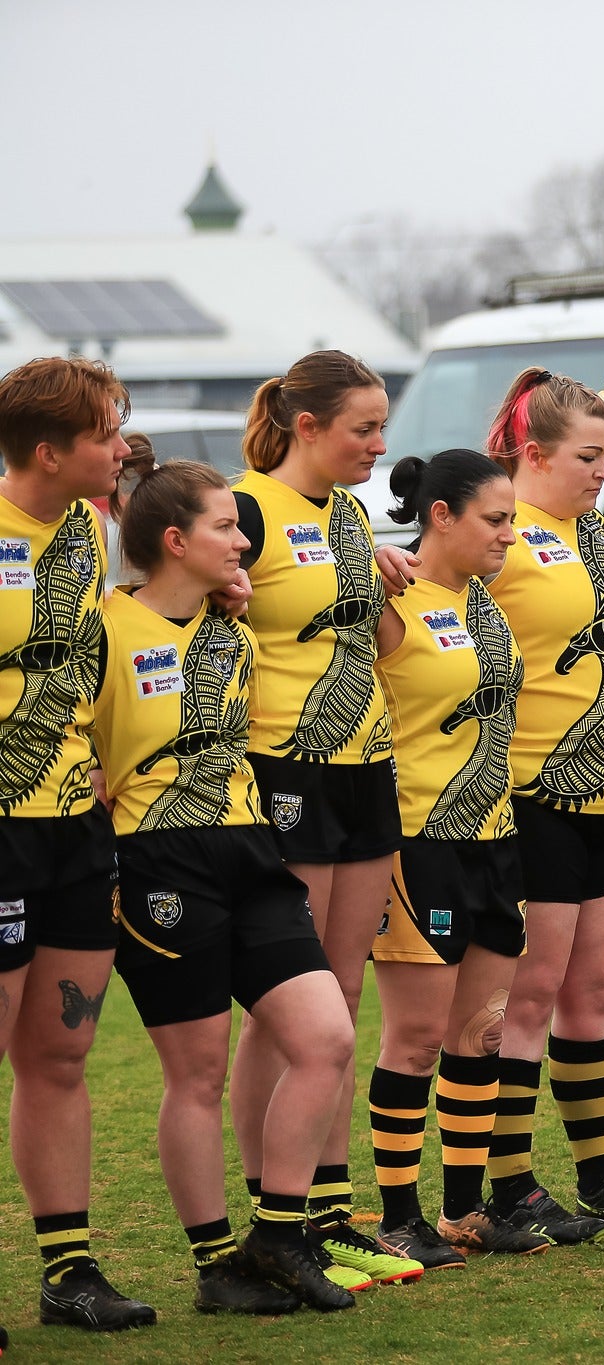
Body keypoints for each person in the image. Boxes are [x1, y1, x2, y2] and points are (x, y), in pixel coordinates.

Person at [98, 457, 359, 1313]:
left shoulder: (231, 631)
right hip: (156, 860)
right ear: (174, 541)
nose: (243, 537)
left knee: (325, 1036)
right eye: (224, 525)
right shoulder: (103, 630)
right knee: (198, 1074)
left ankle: (278, 1236)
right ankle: (217, 1266)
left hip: (250, 849)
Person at [365, 449, 597, 1266]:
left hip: (496, 838)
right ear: (440, 517)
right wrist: (368, 557)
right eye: (494, 520)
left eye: (510, 518)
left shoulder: (487, 604)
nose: (509, 533)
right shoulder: (391, 601)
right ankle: (398, 1216)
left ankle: (465, 1210)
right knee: (419, 1036)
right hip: (420, 841)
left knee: (482, 1033)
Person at [224, 349, 422, 1288]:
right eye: (363, 429)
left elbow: (379, 642)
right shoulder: (246, 509)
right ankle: (279, 1212)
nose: (379, 447)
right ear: (306, 426)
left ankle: (332, 1210)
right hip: (282, 773)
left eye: (382, 428)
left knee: (341, 998)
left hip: (367, 769)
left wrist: (378, 579)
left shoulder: (346, 513)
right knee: (285, 1009)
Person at [477, 369, 604, 1232]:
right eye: (589, 455)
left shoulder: (603, 534)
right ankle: (509, 1183)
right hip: (535, 796)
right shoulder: (502, 536)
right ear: (533, 454)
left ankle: (601, 1173)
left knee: (595, 990)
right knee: (529, 996)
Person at [0, 357, 156, 1331]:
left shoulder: (91, 526)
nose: (122, 448)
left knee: (62, 1052)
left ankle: (70, 1274)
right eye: (105, 434)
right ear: (50, 450)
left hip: (74, 826)